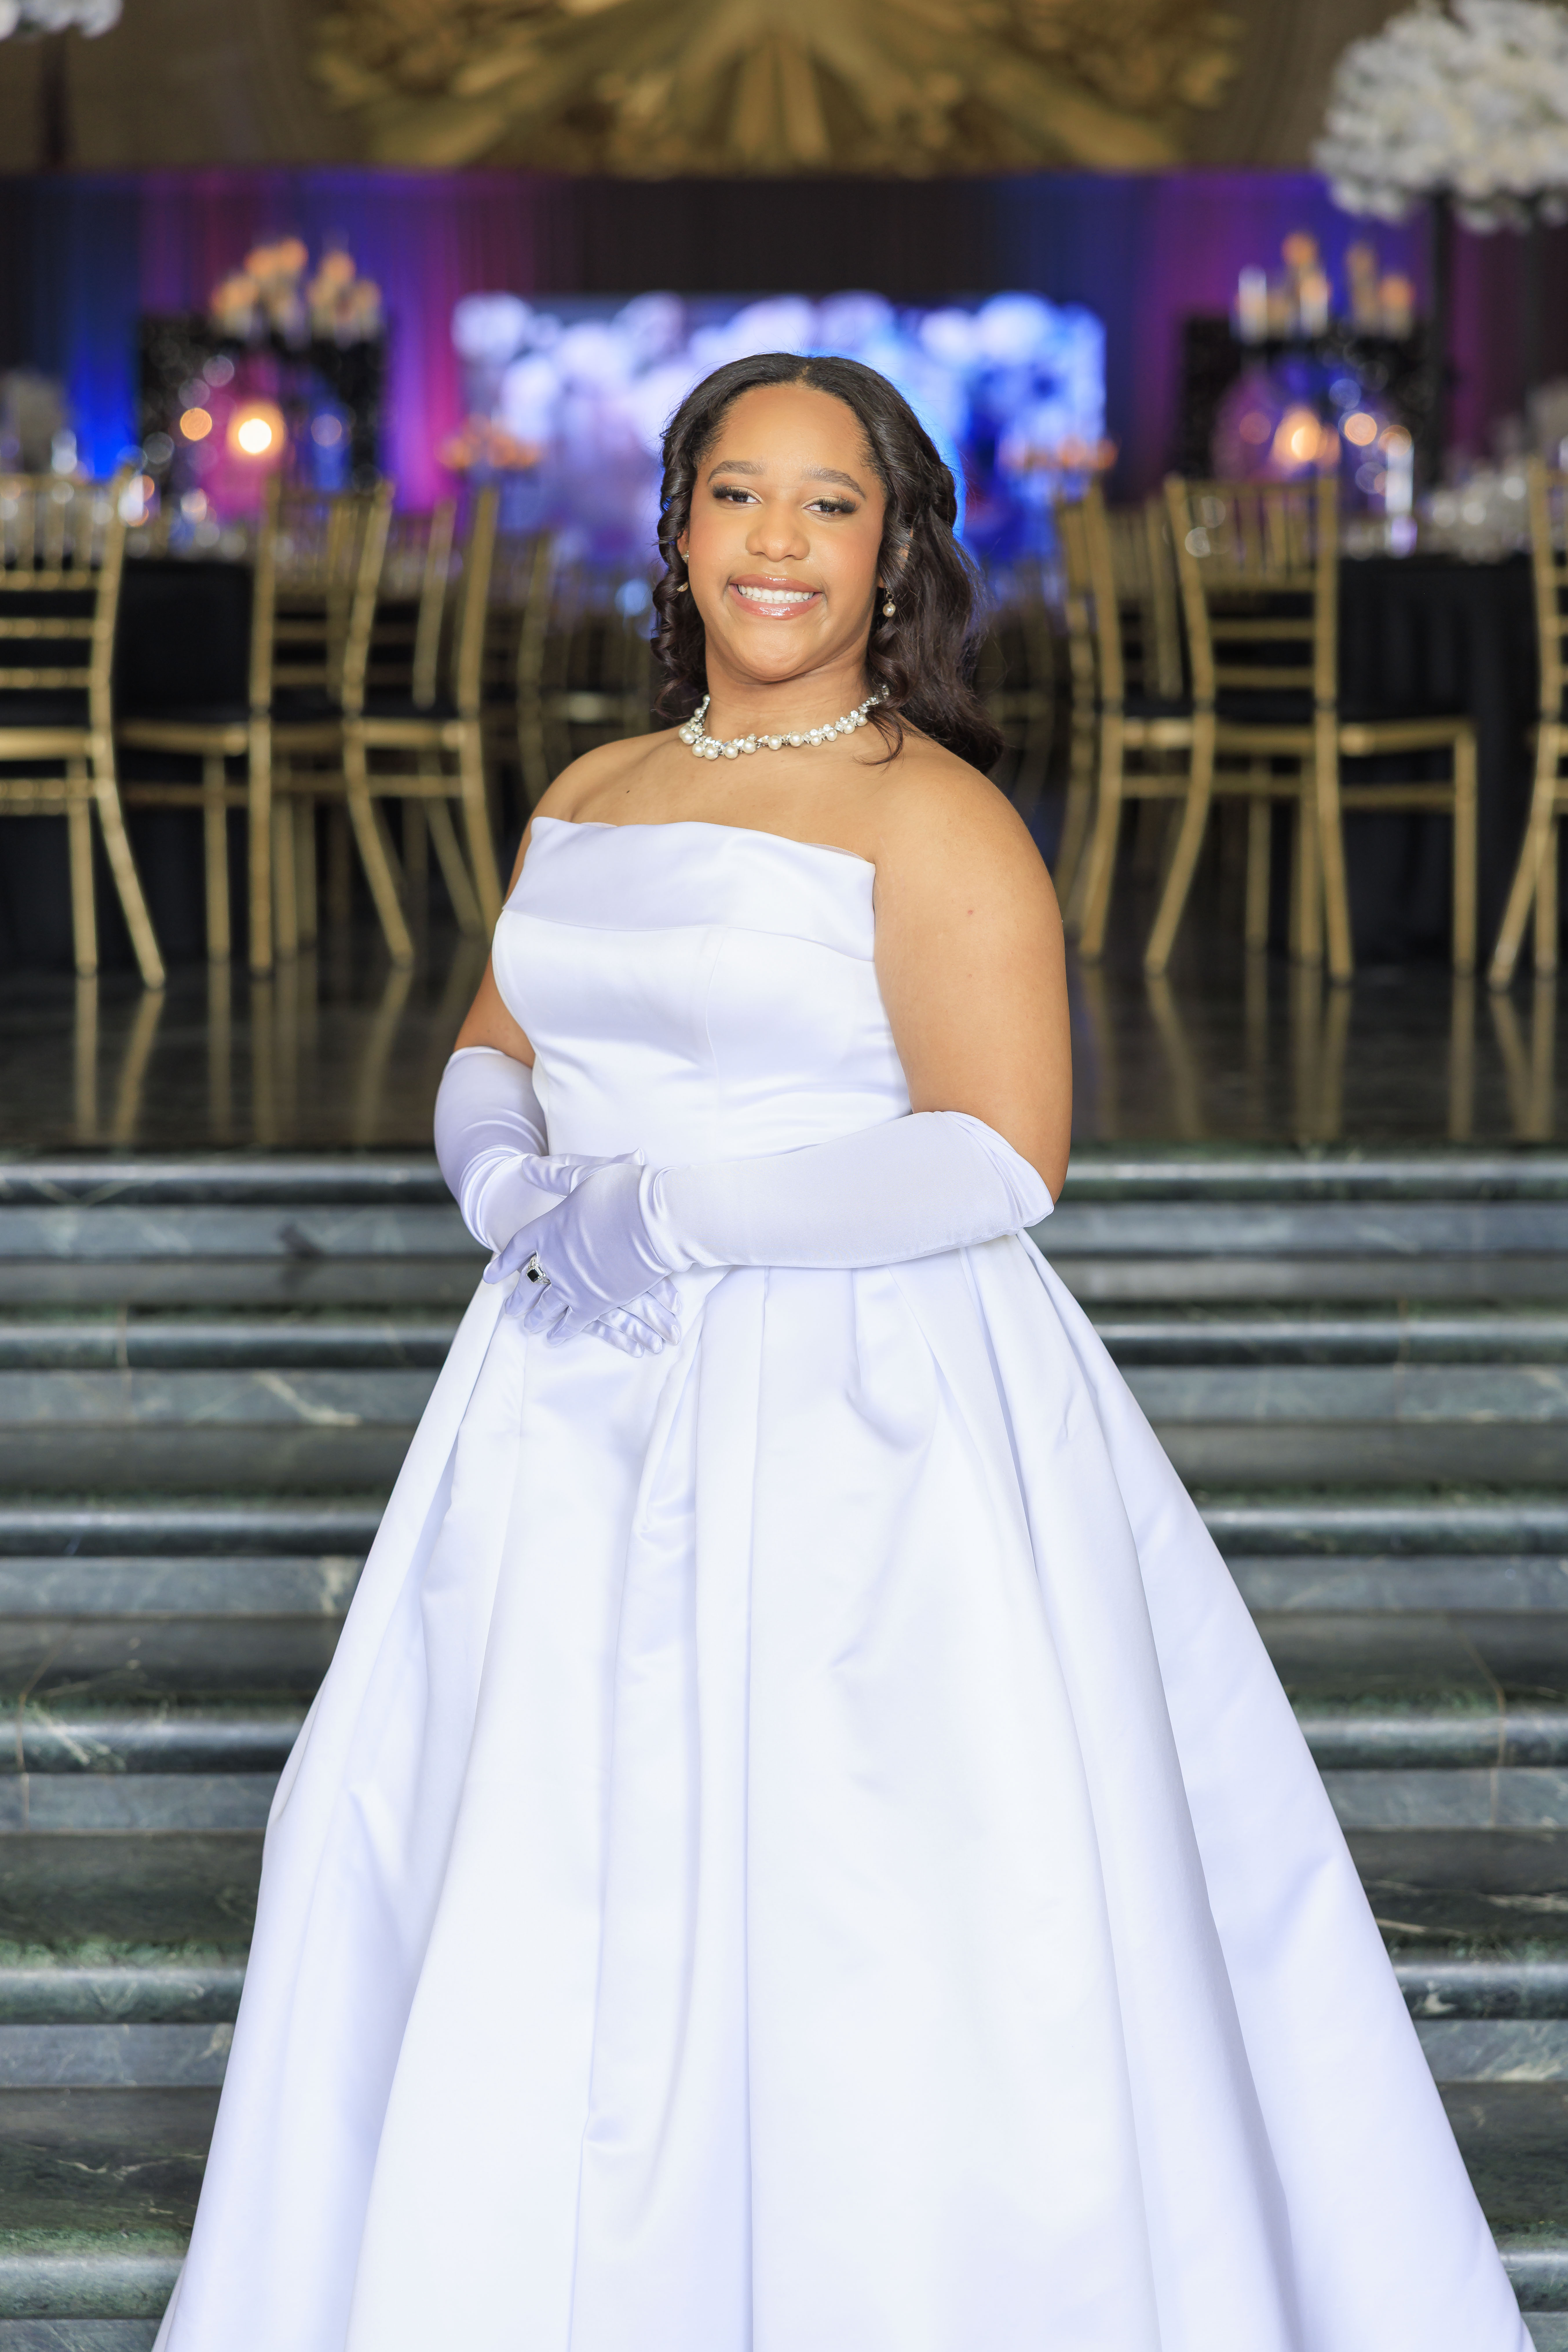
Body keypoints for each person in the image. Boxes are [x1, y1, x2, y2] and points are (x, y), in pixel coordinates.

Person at [154, 355, 1529, 2352]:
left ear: (892, 553)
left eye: (827, 505)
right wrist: (503, 1191)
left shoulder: (936, 811)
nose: (776, 544)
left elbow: (998, 1151)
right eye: (737, 496)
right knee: (515, 1853)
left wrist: (674, 1216)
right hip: (562, 1389)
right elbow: (498, 1040)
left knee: (862, 1893)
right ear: (679, 530)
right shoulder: (589, 792)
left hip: (859, 1404)